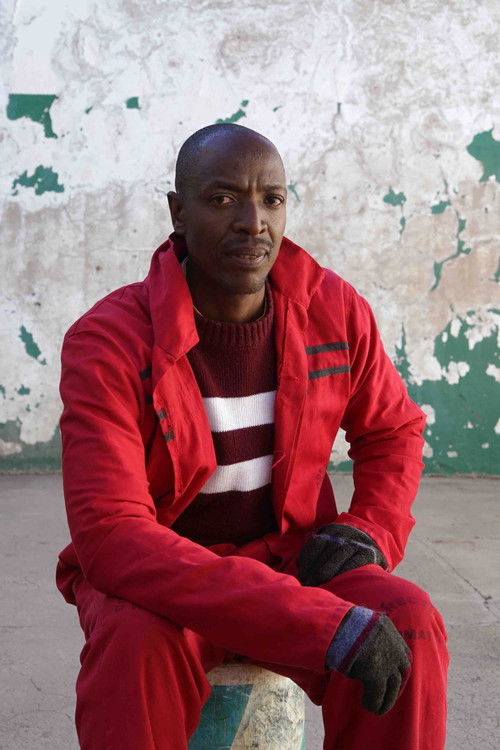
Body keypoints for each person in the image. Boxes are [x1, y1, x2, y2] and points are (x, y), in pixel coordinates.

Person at [56, 123, 448, 749]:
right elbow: (112, 536)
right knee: (131, 647)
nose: (253, 222)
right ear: (178, 213)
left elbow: (393, 428)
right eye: (222, 199)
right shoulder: (109, 341)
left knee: (411, 625)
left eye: (272, 199)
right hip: (162, 578)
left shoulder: (331, 308)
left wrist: (370, 531)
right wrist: (320, 624)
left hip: (291, 558)